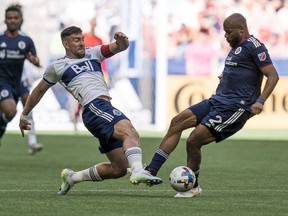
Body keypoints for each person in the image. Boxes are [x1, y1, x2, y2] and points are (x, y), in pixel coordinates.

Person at [145, 13, 279, 198]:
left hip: (235, 107)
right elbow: (241, 73)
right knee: (177, 121)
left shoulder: (254, 47)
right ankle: (151, 170)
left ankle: (192, 187)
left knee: (193, 140)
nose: (225, 35)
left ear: (241, 29)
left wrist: (260, 101)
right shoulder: (235, 47)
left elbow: (273, 75)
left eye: (228, 32)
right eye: (224, 32)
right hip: (217, 100)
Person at [19, 26, 163, 195]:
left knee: (119, 168)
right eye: (76, 40)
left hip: (102, 109)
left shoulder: (93, 53)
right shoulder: (56, 66)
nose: (81, 43)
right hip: (93, 107)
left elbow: (120, 47)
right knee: (129, 131)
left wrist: (122, 40)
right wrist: (24, 114)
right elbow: (39, 90)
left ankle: (72, 177)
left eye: (82, 39)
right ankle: (138, 171)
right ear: (66, 44)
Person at [0, 5, 40, 145]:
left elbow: (36, 60)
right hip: (2, 81)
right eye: (9, 18)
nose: (12, 21)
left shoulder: (26, 41)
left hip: (19, 81)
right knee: (11, 111)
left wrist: (34, 60)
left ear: (20, 20)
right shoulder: (0, 39)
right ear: (5, 20)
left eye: (15, 18)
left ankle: (32, 141)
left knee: (17, 111)